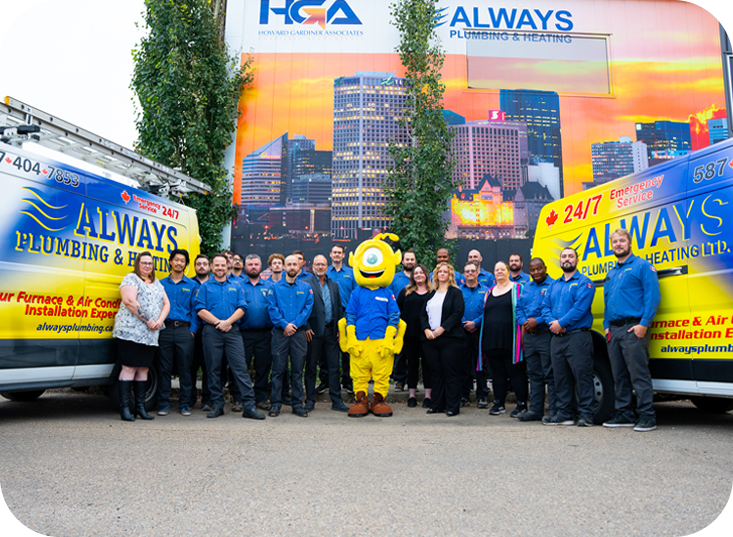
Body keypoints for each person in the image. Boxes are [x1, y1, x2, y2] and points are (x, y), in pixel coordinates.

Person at [603, 228, 661, 432]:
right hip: (614, 331)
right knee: (619, 375)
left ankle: (647, 416)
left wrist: (644, 324)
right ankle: (624, 414)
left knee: (639, 374)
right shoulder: (611, 273)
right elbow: (608, 301)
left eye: (622, 241)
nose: (618, 244)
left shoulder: (642, 266)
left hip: (633, 328)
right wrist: (606, 326)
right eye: (615, 242)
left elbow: (652, 296)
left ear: (629, 243)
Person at [195, 253, 266, 420]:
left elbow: (242, 307)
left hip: (232, 331)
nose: (220, 268)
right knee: (213, 369)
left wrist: (228, 322)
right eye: (216, 265)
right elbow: (200, 309)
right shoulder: (205, 287)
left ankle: (249, 406)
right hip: (212, 331)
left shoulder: (236, 286)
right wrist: (218, 322)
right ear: (212, 267)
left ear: (227, 266)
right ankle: (217, 405)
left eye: (222, 265)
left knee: (240, 368)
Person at [541, 247, 596, 427]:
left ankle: (586, 414)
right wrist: (552, 323)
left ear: (577, 260)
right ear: (560, 261)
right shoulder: (553, 285)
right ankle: (564, 414)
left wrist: (561, 323)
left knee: (582, 376)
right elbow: (545, 307)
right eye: (564, 256)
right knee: (561, 377)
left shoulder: (584, 282)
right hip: (557, 338)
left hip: (577, 337)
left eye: (570, 256)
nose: (566, 259)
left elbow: (580, 309)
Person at [113, 251, 170, 422]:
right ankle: (125, 409)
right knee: (129, 368)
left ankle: (140, 408)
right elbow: (129, 301)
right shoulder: (131, 278)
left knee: (144, 369)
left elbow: (166, 304)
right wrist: (149, 320)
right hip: (131, 332)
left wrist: (159, 321)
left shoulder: (157, 283)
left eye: (150, 263)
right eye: (144, 262)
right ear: (138, 264)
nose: (147, 266)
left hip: (150, 334)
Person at [478, 261, 527, 417]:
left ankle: (521, 405)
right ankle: (499, 403)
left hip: (512, 340)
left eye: (502, 269)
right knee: (497, 374)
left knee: (516, 373)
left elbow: (524, 310)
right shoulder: (489, 292)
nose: (499, 271)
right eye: (496, 269)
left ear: (507, 271)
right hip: (492, 340)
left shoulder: (518, 289)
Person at [267, 254, 314, 418]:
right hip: (280, 333)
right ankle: (275, 405)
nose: (292, 267)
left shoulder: (306, 288)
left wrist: (294, 325)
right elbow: (272, 309)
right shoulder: (274, 287)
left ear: (300, 267)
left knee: (297, 371)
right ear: (284, 267)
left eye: (295, 264)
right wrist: (284, 325)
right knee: (278, 371)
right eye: (289, 264)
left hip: (298, 334)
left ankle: (297, 405)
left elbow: (308, 308)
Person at [304, 255, 348, 413]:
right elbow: (301, 307)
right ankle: (310, 401)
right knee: (311, 367)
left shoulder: (334, 285)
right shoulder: (305, 284)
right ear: (312, 266)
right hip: (313, 331)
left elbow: (338, 309)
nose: (320, 267)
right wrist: (306, 326)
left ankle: (337, 401)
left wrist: (339, 329)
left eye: (323, 264)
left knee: (334, 367)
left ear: (327, 266)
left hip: (331, 331)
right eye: (317, 264)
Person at [420, 262, 466, 416]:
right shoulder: (430, 294)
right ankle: (437, 405)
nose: (442, 274)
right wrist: (426, 330)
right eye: (439, 271)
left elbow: (457, 313)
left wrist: (441, 329)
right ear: (436, 274)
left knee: (450, 372)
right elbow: (422, 315)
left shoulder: (455, 293)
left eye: (445, 271)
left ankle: (452, 406)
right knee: (436, 373)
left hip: (450, 339)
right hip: (431, 340)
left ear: (450, 275)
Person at [157, 248, 198, 417]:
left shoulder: (192, 285)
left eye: (182, 261)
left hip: (184, 330)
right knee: (164, 368)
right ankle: (164, 403)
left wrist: (192, 331)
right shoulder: (160, 284)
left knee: (185, 369)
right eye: (176, 260)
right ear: (170, 262)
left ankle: (184, 404)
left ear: (186, 264)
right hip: (165, 330)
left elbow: (196, 309)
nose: (179, 263)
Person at [516, 257, 556, 422]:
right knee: (534, 374)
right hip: (530, 337)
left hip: (545, 334)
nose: (536, 272)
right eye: (532, 270)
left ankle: (553, 410)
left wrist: (537, 321)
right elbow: (518, 308)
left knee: (550, 373)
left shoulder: (553, 285)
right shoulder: (527, 287)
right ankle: (535, 410)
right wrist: (523, 321)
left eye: (539, 268)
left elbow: (554, 309)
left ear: (545, 268)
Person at [239, 254, 274, 411]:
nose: (253, 267)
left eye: (256, 264)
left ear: (261, 266)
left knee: (263, 366)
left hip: (265, 334)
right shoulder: (238, 286)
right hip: (243, 333)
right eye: (250, 264)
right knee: (241, 366)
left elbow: (274, 308)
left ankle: (261, 398)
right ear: (245, 267)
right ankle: (240, 399)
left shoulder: (269, 286)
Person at [320, 245, 356, 395]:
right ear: (330, 254)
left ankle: (347, 381)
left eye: (339, 253)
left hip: (346, 314)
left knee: (346, 350)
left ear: (343, 255)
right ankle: (325, 381)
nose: (336, 255)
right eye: (334, 252)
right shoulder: (325, 272)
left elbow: (355, 294)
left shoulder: (351, 273)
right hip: (329, 314)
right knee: (325, 350)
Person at [397, 263, 433, 408]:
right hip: (410, 334)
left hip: (427, 334)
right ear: (413, 276)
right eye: (416, 273)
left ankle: (428, 396)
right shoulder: (405, 292)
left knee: (427, 365)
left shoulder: (433, 293)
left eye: (421, 272)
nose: (418, 275)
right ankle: (411, 395)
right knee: (411, 364)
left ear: (426, 275)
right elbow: (397, 311)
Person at [460, 262, 490, 409]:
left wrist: (475, 323)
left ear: (478, 273)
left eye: (473, 271)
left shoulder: (486, 291)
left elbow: (488, 311)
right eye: (467, 271)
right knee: (463, 364)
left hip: (480, 331)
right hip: (462, 331)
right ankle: (464, 395)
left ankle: (482, 395)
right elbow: (455, 310)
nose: (470, 273)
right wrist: (465, 323)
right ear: (464, 274)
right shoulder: (458, 291)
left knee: (480, 365)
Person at [389, 249, 417, 391]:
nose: (410, 262)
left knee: (414, 354)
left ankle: (412, 382)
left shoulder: (420, 277)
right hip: (399, 320)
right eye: (407, 259)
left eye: (412, 259)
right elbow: (389, 298)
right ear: (402, 261)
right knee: (400, 352)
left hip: (416, 321)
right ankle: (399, 380)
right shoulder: (394, 278)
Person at [187, 254, 211, 410]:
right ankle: (190, 398)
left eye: (204, 263)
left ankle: (207, 400)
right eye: (198, 264)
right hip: (192, 331)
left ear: (209, 267)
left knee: (209, 365)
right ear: (195, 267)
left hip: (211, 329)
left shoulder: (215, 283)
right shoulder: (189, 284)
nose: (201, 266)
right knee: (191, 365)